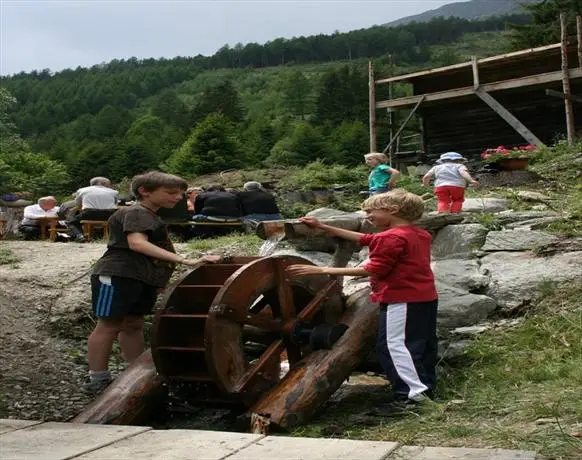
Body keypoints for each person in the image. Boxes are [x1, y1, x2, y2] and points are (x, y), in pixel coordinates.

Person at [286, 189, 438, 411]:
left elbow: (372, 269)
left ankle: (412, 398)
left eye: (371, 211)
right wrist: (323, 227)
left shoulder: (391, 237)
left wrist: (321, 269)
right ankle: (425, 388)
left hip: (401, 299)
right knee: (420, 343)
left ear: (393, 210)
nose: (367, 216)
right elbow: (368, 239)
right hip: (423, 297)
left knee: (396, 346)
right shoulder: (417, 233)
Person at [83, 171, 222, 394]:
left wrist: (158, 280)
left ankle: (137, 374)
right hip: (118, 273)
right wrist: (186, 260)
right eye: (170, 193)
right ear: (144, 191)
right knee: (109, 324)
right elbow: (137, 243)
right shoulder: (137, 212)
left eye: (180, 194)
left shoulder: (150, 214)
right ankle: (98, 380)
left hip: (140, 276)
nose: (177, 198)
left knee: (133, 324)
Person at [68, 177, 119, 241]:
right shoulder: (114, 192)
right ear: (104, 184)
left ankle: (80, 236)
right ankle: (115, 237)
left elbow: (77, 203)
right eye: (108, 184)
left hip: (90, 213)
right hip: (109, 214)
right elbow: (115, 204)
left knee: (72, 222)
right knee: (119, 221)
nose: (109, 186)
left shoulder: (82, 190)